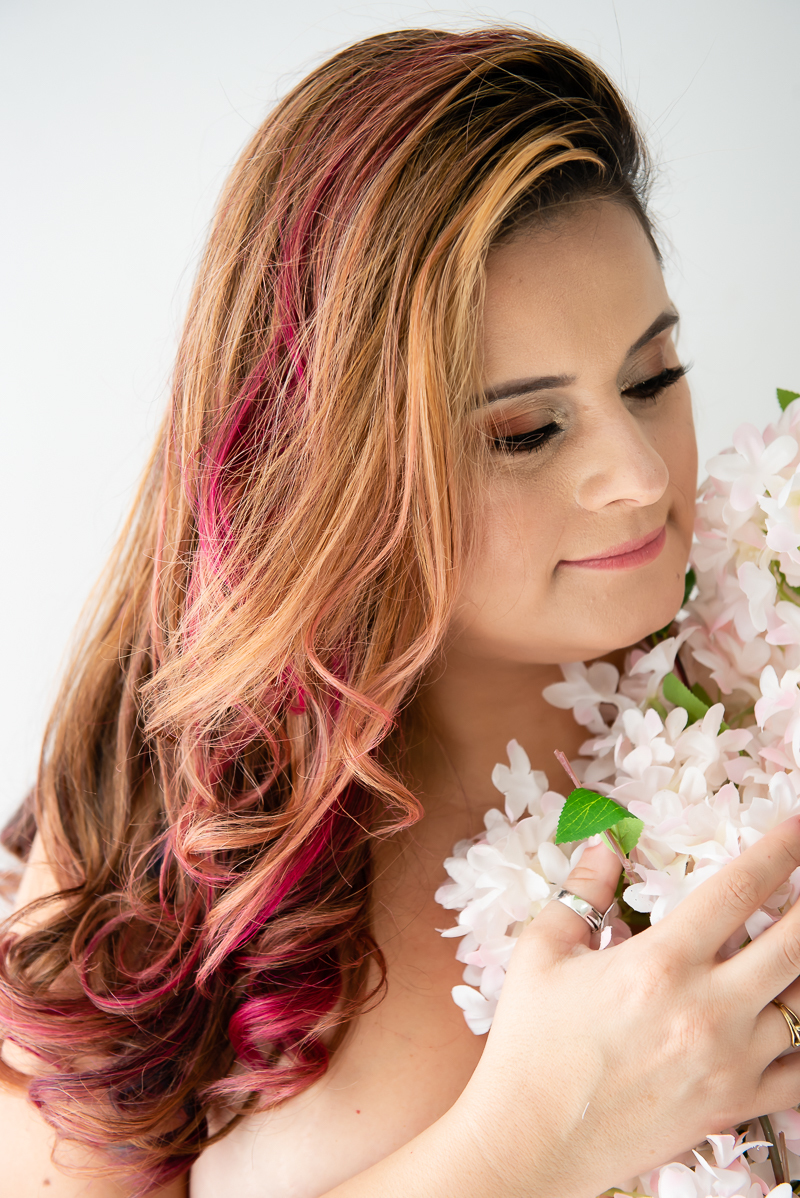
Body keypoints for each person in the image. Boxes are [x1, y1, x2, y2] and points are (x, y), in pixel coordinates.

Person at [3, 25, 800, 1198]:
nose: (636, 473)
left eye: (651, 377)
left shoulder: (763, 675)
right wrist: (534, 1142)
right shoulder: (167, 828)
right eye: (523, 432)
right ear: (332, 468)